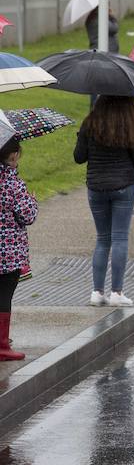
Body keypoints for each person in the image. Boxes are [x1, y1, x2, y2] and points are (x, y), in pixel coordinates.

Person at [74, 96, 134, 307]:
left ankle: (97, 292)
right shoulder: (130, 124)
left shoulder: (90, 123)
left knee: (103, 239)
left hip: (96, 187)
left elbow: (79, 157)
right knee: (120, 238)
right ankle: (117, 292)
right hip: (124, 186)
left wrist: (83, 136)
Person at [0, 138, 36, 361]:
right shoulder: (13, 184)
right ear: (12, 156)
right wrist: (33, 201)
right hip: (8, 254)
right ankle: (2, 345)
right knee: (3, 295)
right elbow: (27, 215)